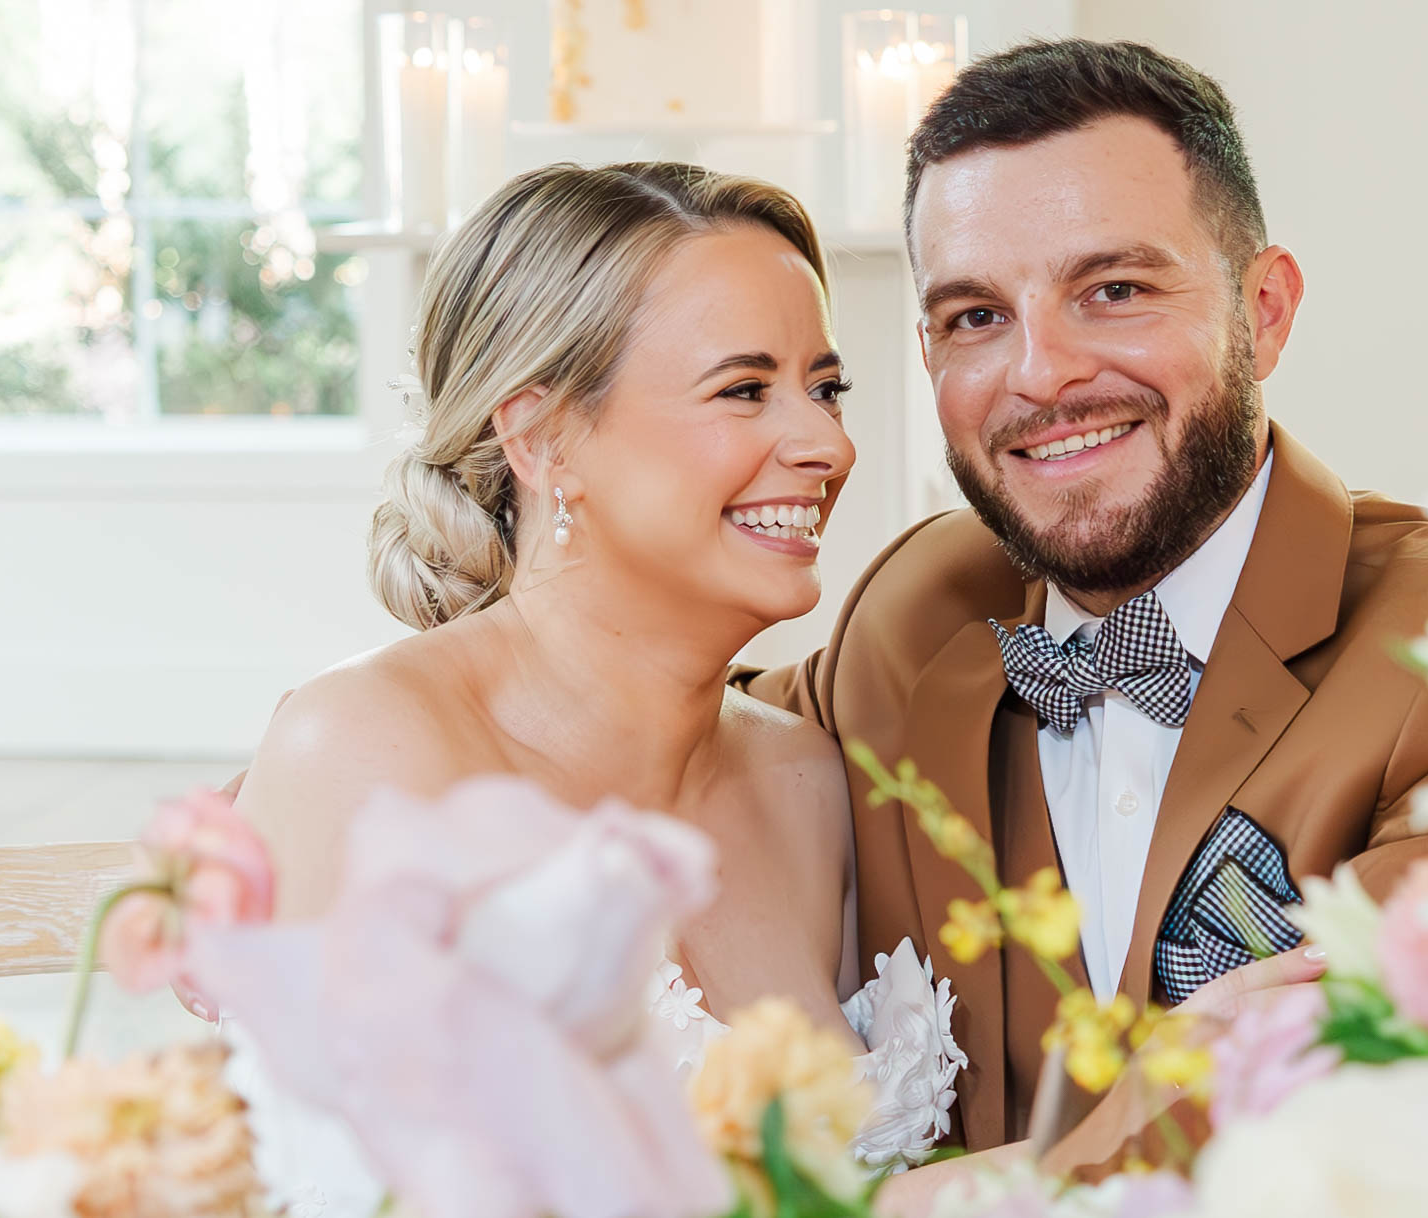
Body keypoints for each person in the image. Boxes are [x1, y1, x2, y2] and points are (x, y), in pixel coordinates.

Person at [731, 37, 1428, 1174]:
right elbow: (642, 752)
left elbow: (1391, 1135)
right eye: (975, 317)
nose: (1040, 375)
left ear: (1263, 311)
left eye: (1113, 290)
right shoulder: (917, 605)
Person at [228, 161, 966, 1213]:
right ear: (541, 439)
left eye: (826, 387)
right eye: (744, 390)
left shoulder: (805, 778)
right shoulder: (367, 757)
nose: (828, 444)